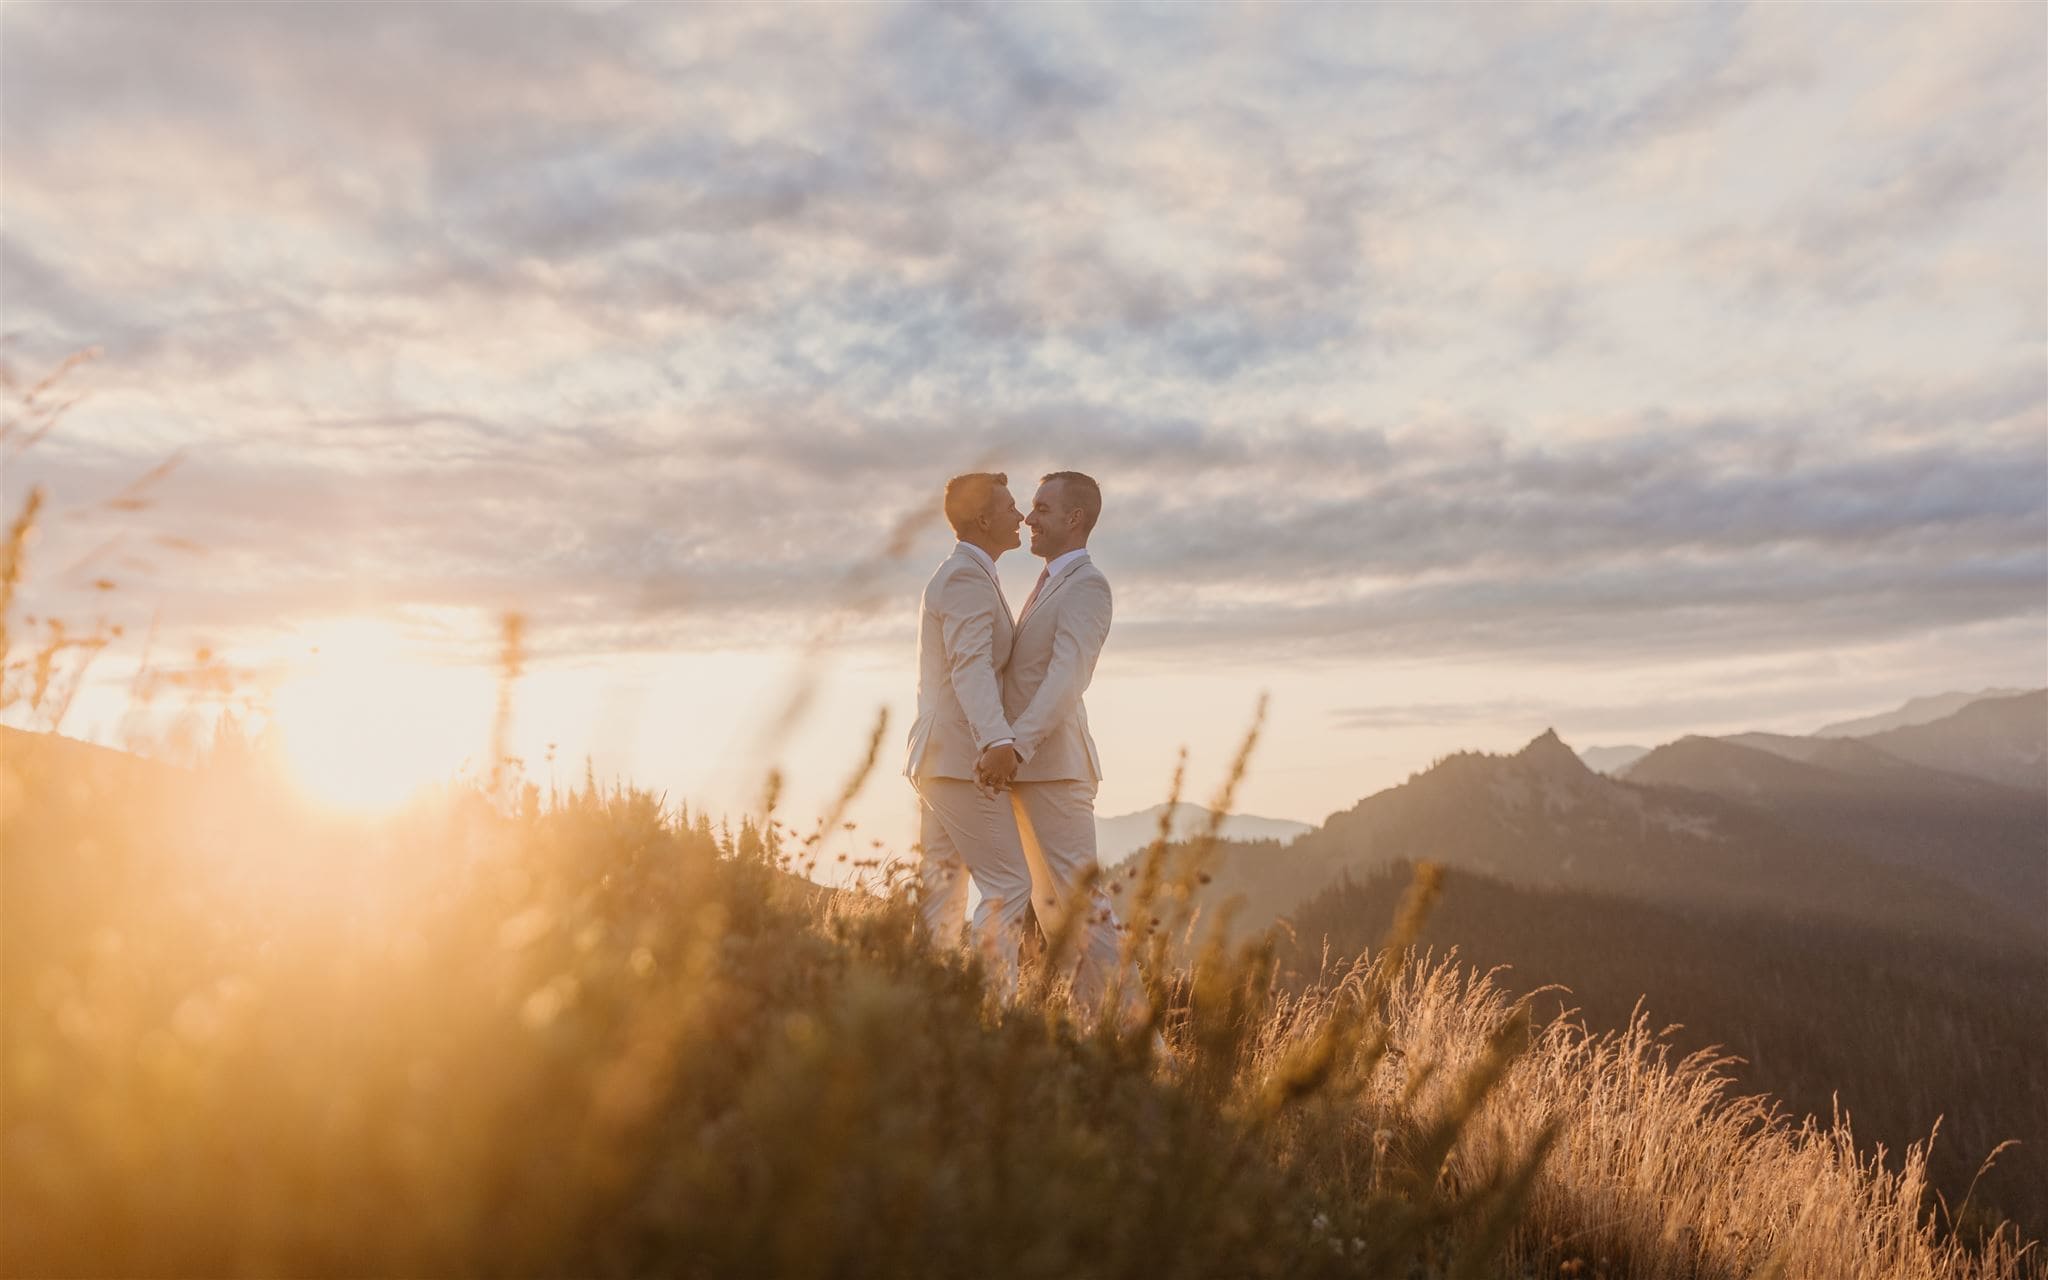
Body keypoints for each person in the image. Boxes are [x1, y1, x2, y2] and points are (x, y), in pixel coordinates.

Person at [976, 471, 1127, 1014]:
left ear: (1075, 519)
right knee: (1054, 910)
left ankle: (1140, 1045)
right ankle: (1097, 1035)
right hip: (1030, 770)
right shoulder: (1047, 584)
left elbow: (1068, 677)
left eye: (1041, 508)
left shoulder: (1088, 585)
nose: (1028, 518)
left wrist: (1016, 746)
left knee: (1084, 908)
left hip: (1054, 768)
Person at [904, 471, 1035, 997]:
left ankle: (931, 1014)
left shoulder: (970, 573)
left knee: (943, 894)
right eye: (1010, 507)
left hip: (940, 759)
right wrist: (996, 741)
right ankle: (993, 1016)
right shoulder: (964, 578)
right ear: (983, 520)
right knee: (1008, 885)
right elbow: (970, 666)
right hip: (960, 757)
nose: (1021, 515)